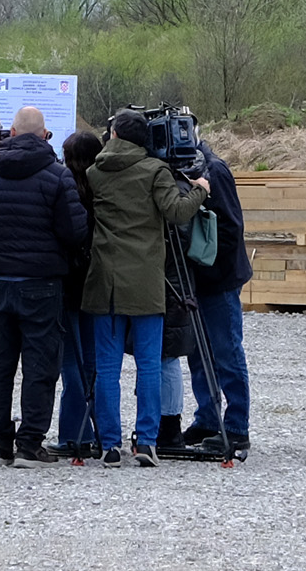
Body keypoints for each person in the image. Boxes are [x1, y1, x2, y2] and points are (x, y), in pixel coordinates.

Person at [0, 105, 89, 463]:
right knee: (40, 365)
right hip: (42, 284)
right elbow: (75, 231)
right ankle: (30, 441)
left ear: (10, 134)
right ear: (45, 135)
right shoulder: (58, 176)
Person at [79, 108, 210, 464]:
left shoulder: (94, 172)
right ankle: (148, 440)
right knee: (149, 364)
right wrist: (199, 191)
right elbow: (177, 212)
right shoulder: (155, 170)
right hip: (146, 280)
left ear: (114, 135)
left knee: (107, 367)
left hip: (104, 279)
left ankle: (108, 443)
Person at [173, 136, 256, 460]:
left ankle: (236, 426)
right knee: (197, 352)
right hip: (199, 278)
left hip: (218, 279)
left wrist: (203, 259)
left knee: (226, 351)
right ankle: (207, 418)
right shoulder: (186, 170)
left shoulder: (215, 171)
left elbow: (231, 228)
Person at [58, 126, 109, 459]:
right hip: (98, 282)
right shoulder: (105, 191)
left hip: (67, 283)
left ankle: (71, 433)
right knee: (95, 361)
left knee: (71, 363)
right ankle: (99, 429)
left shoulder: (63, 191)